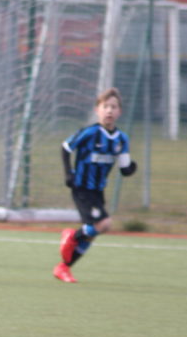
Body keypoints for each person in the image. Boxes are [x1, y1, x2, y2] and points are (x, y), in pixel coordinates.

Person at [55, 87, 137, 283]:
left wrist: (131, 168)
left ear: (119, 112)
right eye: (105, 106)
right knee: (103, 224)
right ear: (97, 110)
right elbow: (65, 147)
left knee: (94, 232)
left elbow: (125, 168)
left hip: (98, 190)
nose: (109, 111)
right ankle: (72, 236)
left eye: (113, 107)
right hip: (82, 187)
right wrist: (68, 173)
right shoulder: (89, 133)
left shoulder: (121, 139)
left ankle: (63, 267)